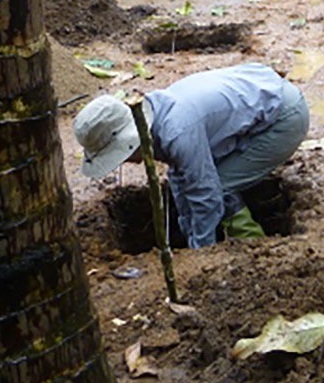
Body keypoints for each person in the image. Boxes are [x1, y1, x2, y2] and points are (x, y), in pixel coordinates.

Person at [73, 63, 310, 248]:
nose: (123, 161)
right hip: (259, 103)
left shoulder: (177, 131)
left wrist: (201, 252)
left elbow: (205, 193)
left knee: (221, 186)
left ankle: (255, 246)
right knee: (209, 184)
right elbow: (180, 177)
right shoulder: (159, 120)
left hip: (284, 117)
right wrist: (187, 230)